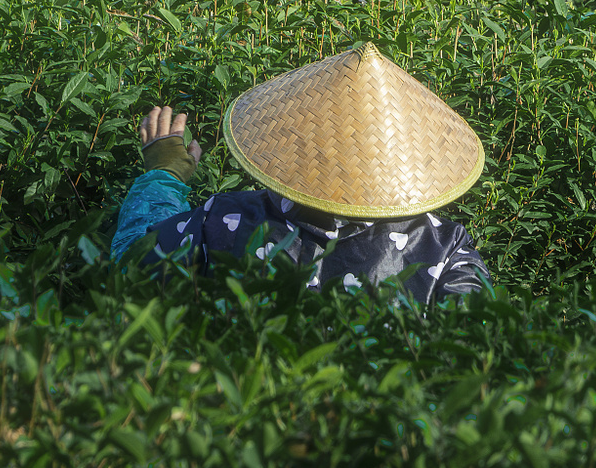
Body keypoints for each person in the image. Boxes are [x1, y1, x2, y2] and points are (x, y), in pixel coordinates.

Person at [109, 43, 492, 302]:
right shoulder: (444, 246)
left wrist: (163, 175)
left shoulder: (222, 220)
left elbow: (129, 269)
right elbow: (481, 345)